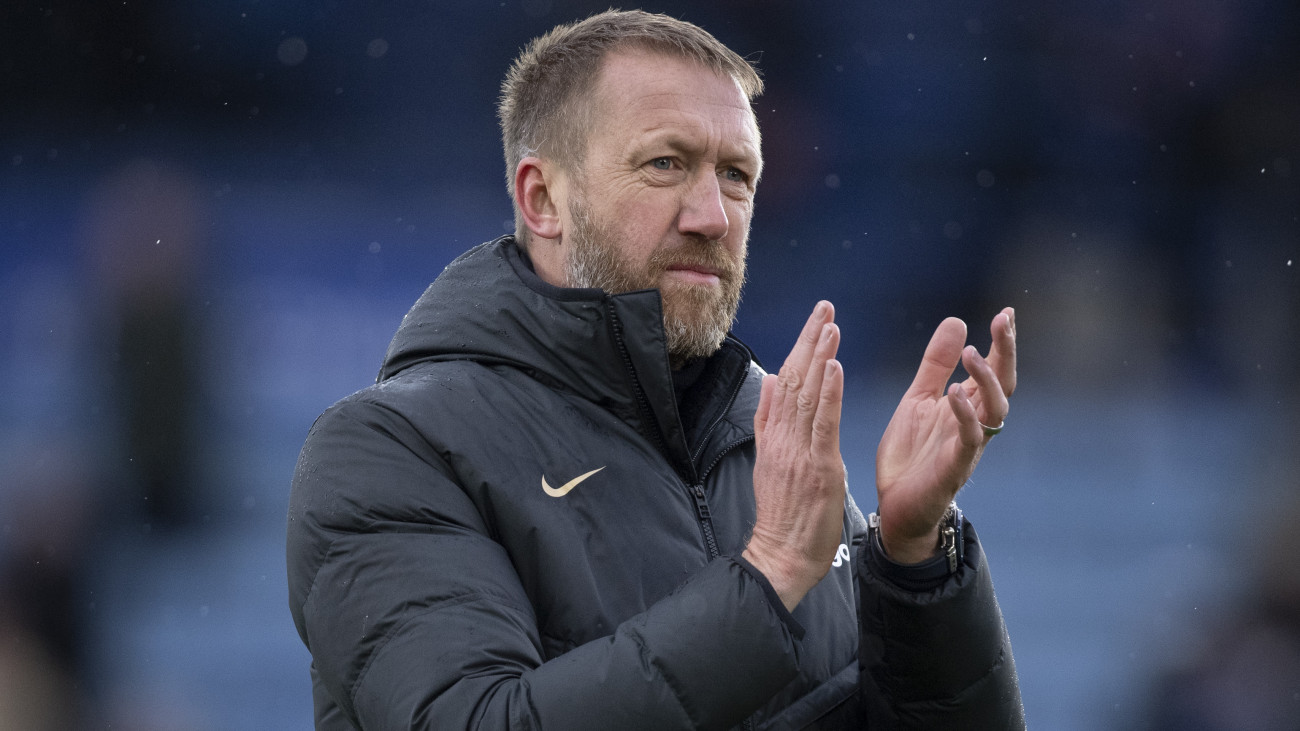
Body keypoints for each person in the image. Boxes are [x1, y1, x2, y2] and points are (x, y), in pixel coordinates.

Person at [287, 10, 1024, 730]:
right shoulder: (391, 449)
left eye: (736, 175)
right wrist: (763, 579)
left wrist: (913, 561)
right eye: (665, 164)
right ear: (543, 199)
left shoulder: (772, 441)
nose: (713, 215)